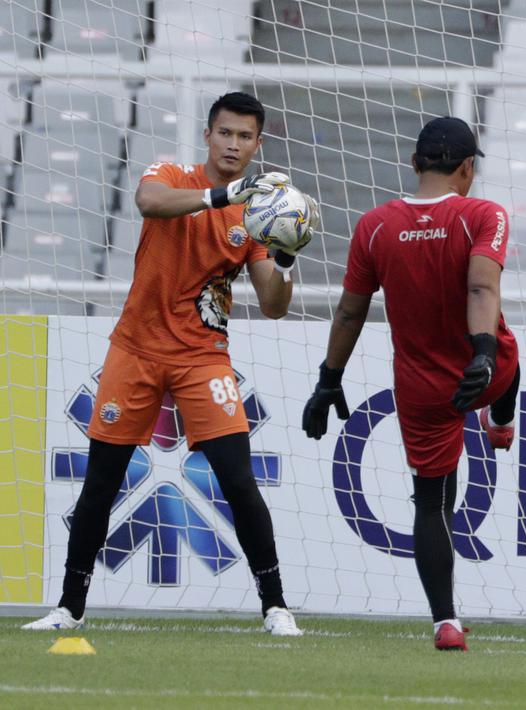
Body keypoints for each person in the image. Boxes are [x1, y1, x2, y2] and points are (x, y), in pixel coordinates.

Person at [23, 91, 316, 636]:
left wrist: (285, 254)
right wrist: (221, 194)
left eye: (244, 136)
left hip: (203, 359)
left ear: (258, 144)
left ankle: (276, 607)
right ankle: (69, 608)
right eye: (225, 133)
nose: (233, 143)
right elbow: (148, 203)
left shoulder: (253, 215)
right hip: (134, 349)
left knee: (237, 480)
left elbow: (274, 307)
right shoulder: (174, 174)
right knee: (101, 483)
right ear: (208, 135)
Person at [302, 116, 520, 652]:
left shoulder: (374, 225)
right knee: (517, 357)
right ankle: (501, 418)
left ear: (414, 163)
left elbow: (351, 312)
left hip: (421, 385)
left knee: (432, 503)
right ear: (467, 168)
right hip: (480, 366)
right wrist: (484, 355)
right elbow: (480, 287)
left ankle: (444, 621)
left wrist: (329, 380)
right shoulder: (483, 214)